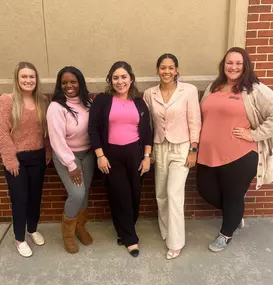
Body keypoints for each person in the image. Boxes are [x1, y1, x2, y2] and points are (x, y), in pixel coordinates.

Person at [196, 47, 273, 252]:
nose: (234, 67)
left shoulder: (254, 89)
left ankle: (226, 233)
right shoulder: (214, 86)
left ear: (245, 66)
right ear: (224, 65)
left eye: (238, 63)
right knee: (206, 191)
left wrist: (254, 135)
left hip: (241, 154)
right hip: (208, 153)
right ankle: (235, 214)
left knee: (232, 196)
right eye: (230, 63)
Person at [88, 61, 152, 257]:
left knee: (134, 195)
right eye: (115, 77)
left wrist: (147, 157)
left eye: (124, 77)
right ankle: (130, 239)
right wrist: (100, 156)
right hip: (111, 155)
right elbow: (93, 129)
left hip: (135, 154)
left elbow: (148, 131)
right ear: (110, 80)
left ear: (131, 79)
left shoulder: (139, 103)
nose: (120, 81)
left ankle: (124, 230)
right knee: (120, 196)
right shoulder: (103, 101)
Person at [144, 53, 201, 259]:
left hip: (181, 148)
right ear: (157, 70)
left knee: (174, 194)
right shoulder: (149, 93)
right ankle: (167, 231)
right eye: (162, 67)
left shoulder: (189, 91)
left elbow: (195, 120)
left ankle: (176, 243)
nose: (166, 71)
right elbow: (147, 126)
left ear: (177, 70)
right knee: (161, 194)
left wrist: (193, 150)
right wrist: (148, 151)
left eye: (170, 67)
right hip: (160, 147)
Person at [0, 62, 50, 257]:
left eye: (31, 76)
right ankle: (19, 238)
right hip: (16, 159)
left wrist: (47, 152)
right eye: (24, 76)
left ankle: (32, 229)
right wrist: (10, 160)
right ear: (17, 78)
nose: (28, 80)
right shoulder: (6, 101)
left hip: (38, 157)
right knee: (20, 199)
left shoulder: (42, 100)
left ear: (36, 79)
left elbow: (46, 132)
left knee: (35, 197)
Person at [47, 66, 95, 254]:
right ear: (60, 85)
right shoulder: (56, 107)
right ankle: (67, 234)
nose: (69, 85)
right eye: (64, 82)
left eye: (73, 81)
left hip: (88, 153)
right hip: (67, 156)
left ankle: (80, 227)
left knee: (85, 192)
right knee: (76, 193)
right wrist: (71, 164)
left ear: (80, 83)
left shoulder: (87, 102)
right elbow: (56, 140)